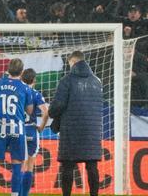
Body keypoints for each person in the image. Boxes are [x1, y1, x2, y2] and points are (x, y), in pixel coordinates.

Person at [49, 51, 103, 196]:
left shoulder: (66, 81)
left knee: (67, 166)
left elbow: (58, 106)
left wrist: (51, 114)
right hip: (92, 132)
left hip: (71, 130)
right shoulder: (97, 81)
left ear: (72, 61)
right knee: (92, 166)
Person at [0, 58, 32, 196]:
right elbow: (29, 111)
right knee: (17, 164)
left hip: (0, 128)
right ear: (22, 71)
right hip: (17, 129)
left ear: (8, 69)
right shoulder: (25, 87)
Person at [21, 69, 48, 196]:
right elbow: (45, 112)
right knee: (29, 165)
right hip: (31, 129)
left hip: (19, 129)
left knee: (19, 164)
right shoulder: (35, 94)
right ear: (34, 80)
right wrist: (41, 127)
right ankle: (24, 194)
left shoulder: (18, 92)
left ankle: (17, 193)